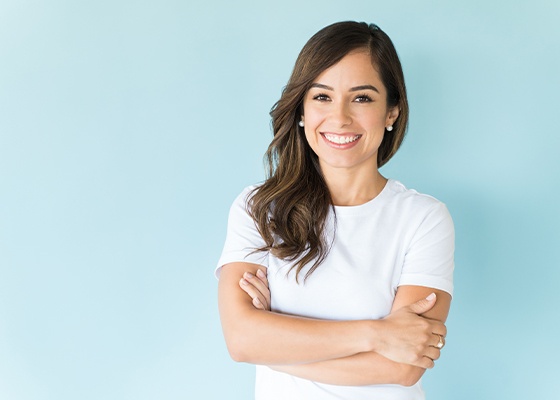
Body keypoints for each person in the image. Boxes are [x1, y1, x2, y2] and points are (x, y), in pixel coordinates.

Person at [216, 21, 454, 400]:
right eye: (322, 97)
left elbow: (404, 367)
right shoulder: (259, 209)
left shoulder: (423, 218)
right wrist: (377, 333)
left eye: (362, 98)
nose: (340, 117)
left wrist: (275, 345)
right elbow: (242, 339)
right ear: (301, 110)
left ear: (392, 112)